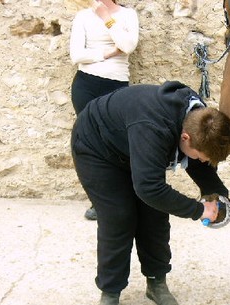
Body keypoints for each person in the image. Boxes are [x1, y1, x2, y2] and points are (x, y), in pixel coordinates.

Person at [71, 81, 230, 305]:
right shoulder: (154, 128)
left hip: (132, 142)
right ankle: (111, 293)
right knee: (119, 217)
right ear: (185, 137)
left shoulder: (198, 117)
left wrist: (217, 194)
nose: (204, 161)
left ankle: (157, 282)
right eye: (202, 156)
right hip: (97, 148)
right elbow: (148, 188)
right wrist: (198, 210)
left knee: (155, 216)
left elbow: (200, 159)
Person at [69, 0, 139, 220]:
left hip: (116, 85)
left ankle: (124, 199)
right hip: (86, 84)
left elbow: (127, 46)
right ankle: (99, 202)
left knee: (118, 144)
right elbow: (76, 55)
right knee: (91, 146)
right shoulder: (82, 16)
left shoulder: (128, 15)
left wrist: (106, 17)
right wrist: (108, 53)